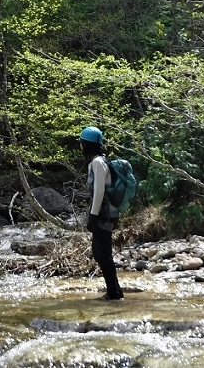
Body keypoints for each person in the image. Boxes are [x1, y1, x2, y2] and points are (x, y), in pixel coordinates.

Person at [79, 126, 124, 300]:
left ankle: (114, 292)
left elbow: (98, 192)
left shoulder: (97, 163)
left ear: (87, 144)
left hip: (103, 214)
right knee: (100, 252)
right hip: (105, 213)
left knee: (103, 253)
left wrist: (93, 216)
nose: (80, 147)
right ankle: (115, 289)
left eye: (82, 143)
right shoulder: (100, 161)